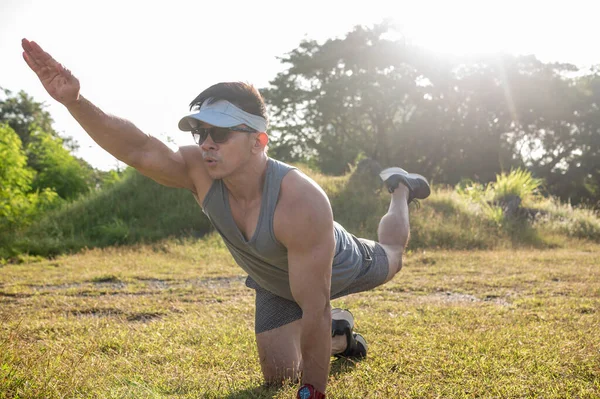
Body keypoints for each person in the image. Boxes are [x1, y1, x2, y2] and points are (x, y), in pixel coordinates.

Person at [21, 38, 430, 399]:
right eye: (200, 133)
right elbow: (138, 149)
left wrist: (312, 393)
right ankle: (342, 337)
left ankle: (401, 191)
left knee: (392, 255)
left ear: (258, 140)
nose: (207, 144)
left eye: (220, 134)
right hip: (274, 283)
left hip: (339, 267)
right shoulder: (199, 171)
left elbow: (316, 308)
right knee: (278, 378)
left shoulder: (300, 201)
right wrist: (74, 102)